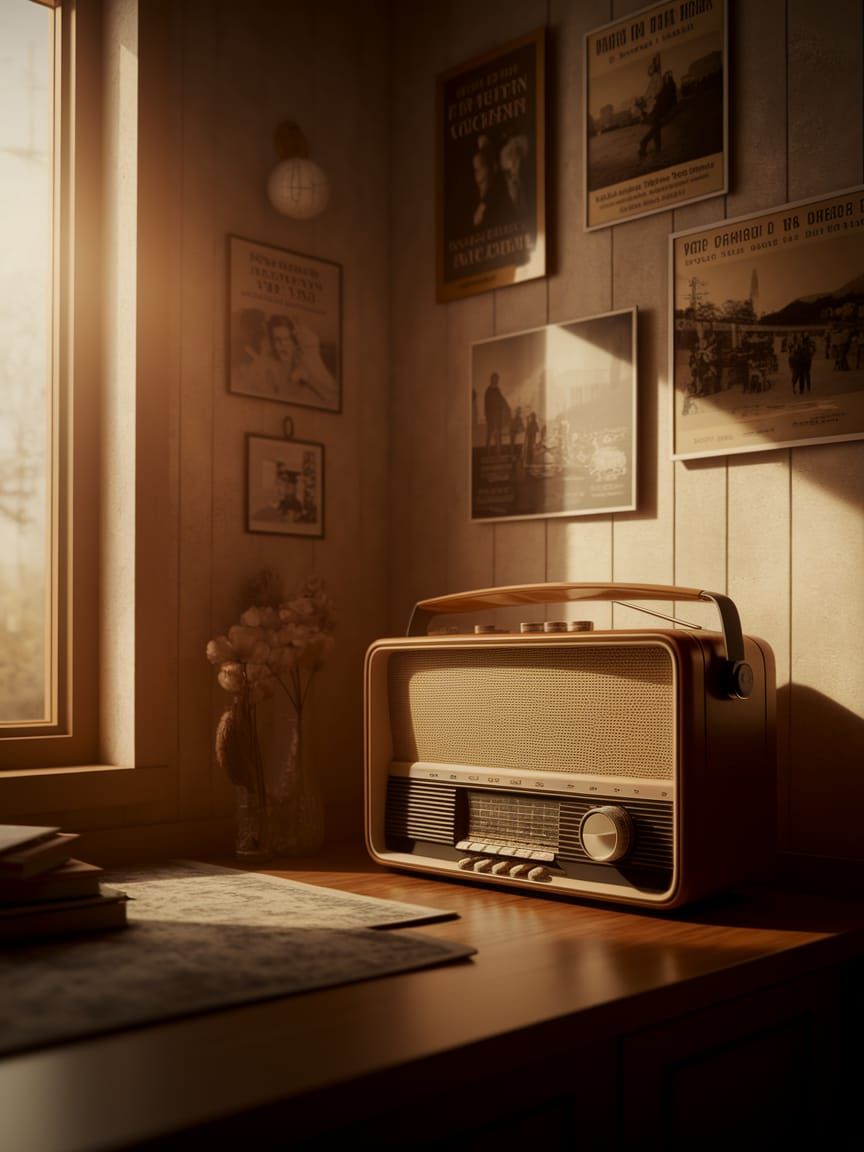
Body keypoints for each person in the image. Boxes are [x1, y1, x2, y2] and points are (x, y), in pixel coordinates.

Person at [267, 313, 339, 409]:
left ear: (294, 342)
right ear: (272, 342)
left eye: (287, 339)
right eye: (278, 340)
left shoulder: (307, 364)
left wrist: (308, 379)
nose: (283, 345)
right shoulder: (268, 369)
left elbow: (334, 400)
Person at [638, 62, 677, 159]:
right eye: (649, 69)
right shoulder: (654, 78)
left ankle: (648, 145)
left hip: (657, 106)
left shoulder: (657, 77)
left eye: (650, 69)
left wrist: (649, 99)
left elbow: (658, 90)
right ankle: (651, 145)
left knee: (656, 127)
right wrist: (645, 99)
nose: (648, 71)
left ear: (653, 70)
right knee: (656, 127)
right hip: (655, 106)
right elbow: (651, 92)